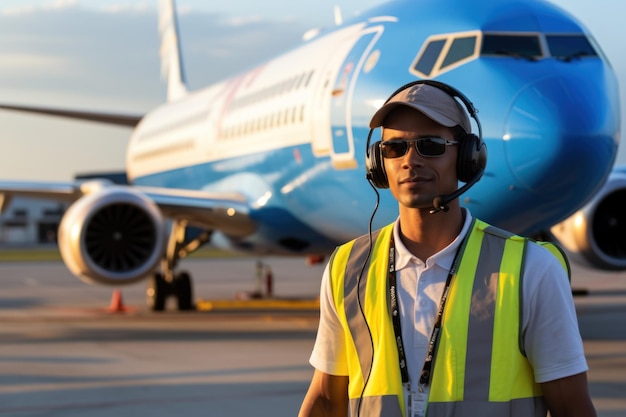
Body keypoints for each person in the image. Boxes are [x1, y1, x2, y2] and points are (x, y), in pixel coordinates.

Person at [298, 80, 596, 417]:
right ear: (377, 164)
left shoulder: (531, 269)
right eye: (394, 148)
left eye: (431, 145)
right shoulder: (347, 268)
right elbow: (325, 399)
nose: (410, 160)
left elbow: (572, 407)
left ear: (468, 157)